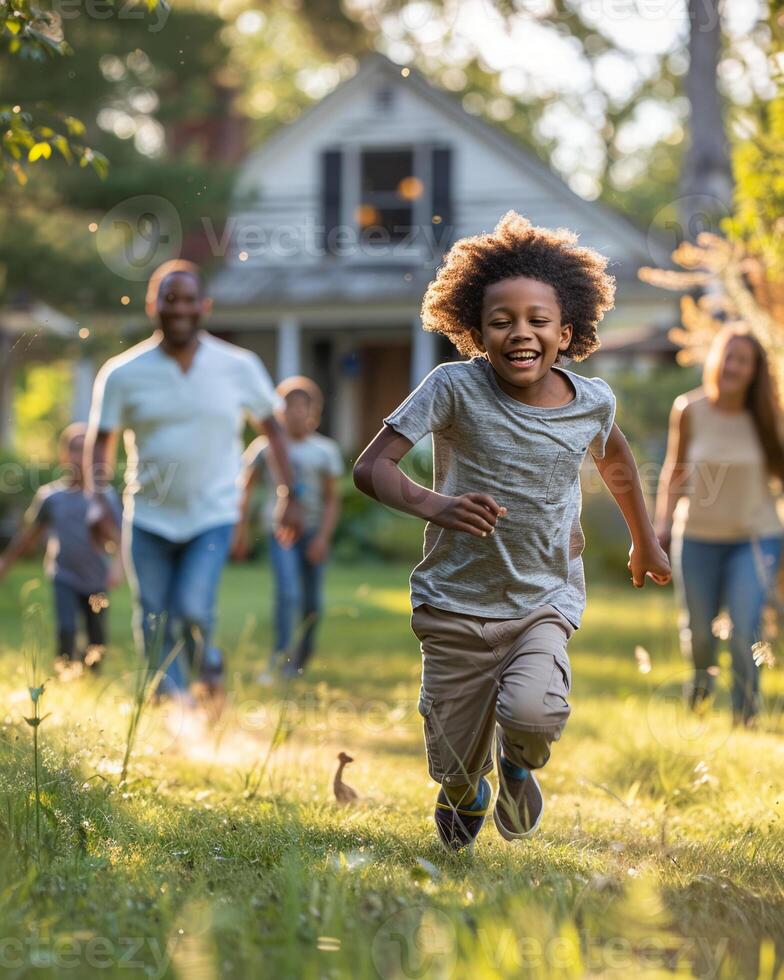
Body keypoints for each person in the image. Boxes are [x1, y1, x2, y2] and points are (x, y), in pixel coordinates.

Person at [353, 211, 671, 850]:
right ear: (475, 332)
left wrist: (645, 536)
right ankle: (467, 788)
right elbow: (371, 468)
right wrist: (434, 505)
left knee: (533, 711)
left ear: (567, 331)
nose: (520, 333)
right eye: (501, 321)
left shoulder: (593, 401)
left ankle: (519, 760)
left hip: (541, 599)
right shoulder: (452, 387)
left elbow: (614, 460)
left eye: (537, 320)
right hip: (453, 603)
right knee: (448, 758)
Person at [84, 259, 302, 705]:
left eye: (188, 299)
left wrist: (288, 492)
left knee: (193, 609)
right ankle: (178, 714)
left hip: (212, 514)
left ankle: (209, 662)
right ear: (153, 304)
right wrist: (95, 498)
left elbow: (273, 429)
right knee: (153, 620)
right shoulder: (123, 372)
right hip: (147, 516)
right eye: (170, 299)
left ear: (204, 305)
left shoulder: (237, 365)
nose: (179, 308)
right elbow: (100, 440)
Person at [654, 326, 784, 727]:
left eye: (743, 360)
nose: (733, 366)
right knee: (700, 632)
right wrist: (660, 527)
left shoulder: (768, 416)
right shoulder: (689, 409)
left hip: (755, 537)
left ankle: (746, 716)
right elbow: (674, 471)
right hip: (696, 537)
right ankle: (701, 692)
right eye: (728, 356)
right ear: (716, 360)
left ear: (754, 370)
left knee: (745, 626)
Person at [235, 376, 343, 680]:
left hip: (312, 533)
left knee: (312, 602)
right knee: (287, 593)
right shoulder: (264, 447)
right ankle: (280, 658)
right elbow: (245, 490)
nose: (296, 412)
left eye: (303, 406)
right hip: (280, 532)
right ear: (278, 411)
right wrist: (240, 532)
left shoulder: (325, 450)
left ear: (315, 412)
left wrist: (322, 538)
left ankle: (302, 657)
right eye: (289, 406)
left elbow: (332, 499)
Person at [0, 423, 122, 674]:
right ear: (64, 454)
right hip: (63, 576)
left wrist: (118, 568)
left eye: (86, 449)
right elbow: (28, 535)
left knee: (96, 635)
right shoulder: (51, 497)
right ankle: (65, 676)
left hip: (97, 580)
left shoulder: (105, 497)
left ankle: (91, 680)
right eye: (74, 449)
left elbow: (120, 540)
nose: (80, 456)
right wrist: (6, 561)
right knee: (66, 629)